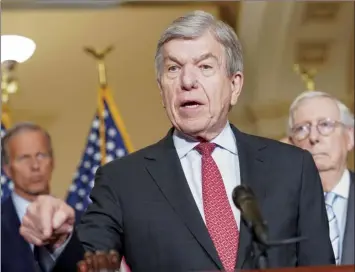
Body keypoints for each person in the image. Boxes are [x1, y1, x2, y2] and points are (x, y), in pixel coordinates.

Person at [19, 10, 335, 272]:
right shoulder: (122, 180)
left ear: (234, 85)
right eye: (174, 68)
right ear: (162, 89)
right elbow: (88, 265)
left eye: (205, 66)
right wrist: (59, 241)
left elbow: (319, 266)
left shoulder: (293, 166)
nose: (187, 81)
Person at [286, 90, 354, 265]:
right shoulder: (278, 207)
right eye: (302, 129)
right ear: (291, 143)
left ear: (350, 136)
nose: (314, 138)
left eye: (325, 125)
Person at [1, 122, 55, 272]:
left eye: (41, 155)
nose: (35, 166)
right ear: (7, 169)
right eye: (24, 158)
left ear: (53, 161)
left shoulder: (83, 223)